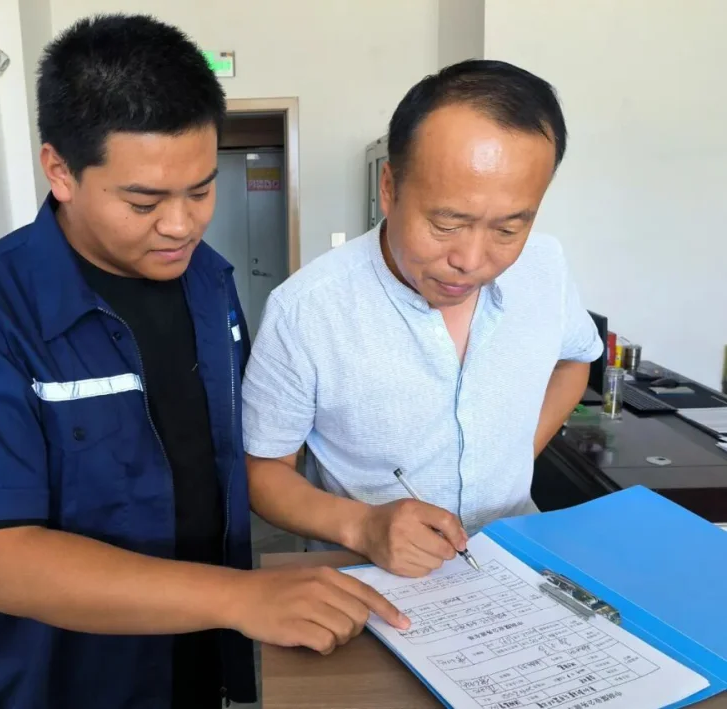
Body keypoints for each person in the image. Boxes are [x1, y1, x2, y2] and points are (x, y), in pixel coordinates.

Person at [0, 14, 406, 709]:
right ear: (60, 171)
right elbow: (2, 563)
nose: (181, 224)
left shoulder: (208, 280)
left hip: (198, 649)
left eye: (201, 190)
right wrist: (241, 596)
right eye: (144, 201)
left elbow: (227, 460)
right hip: (68, 679)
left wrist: (357, 523)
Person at [243, 60, 603, 578]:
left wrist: (515, 455)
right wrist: (362, 526)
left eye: (507, 230)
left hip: (513, 560)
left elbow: (575, 361)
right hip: (372, 575)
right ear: (389, 187)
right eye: (446, 224)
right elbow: (264, 471)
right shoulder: (306, 310)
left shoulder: (545, 267)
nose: (471, 260)